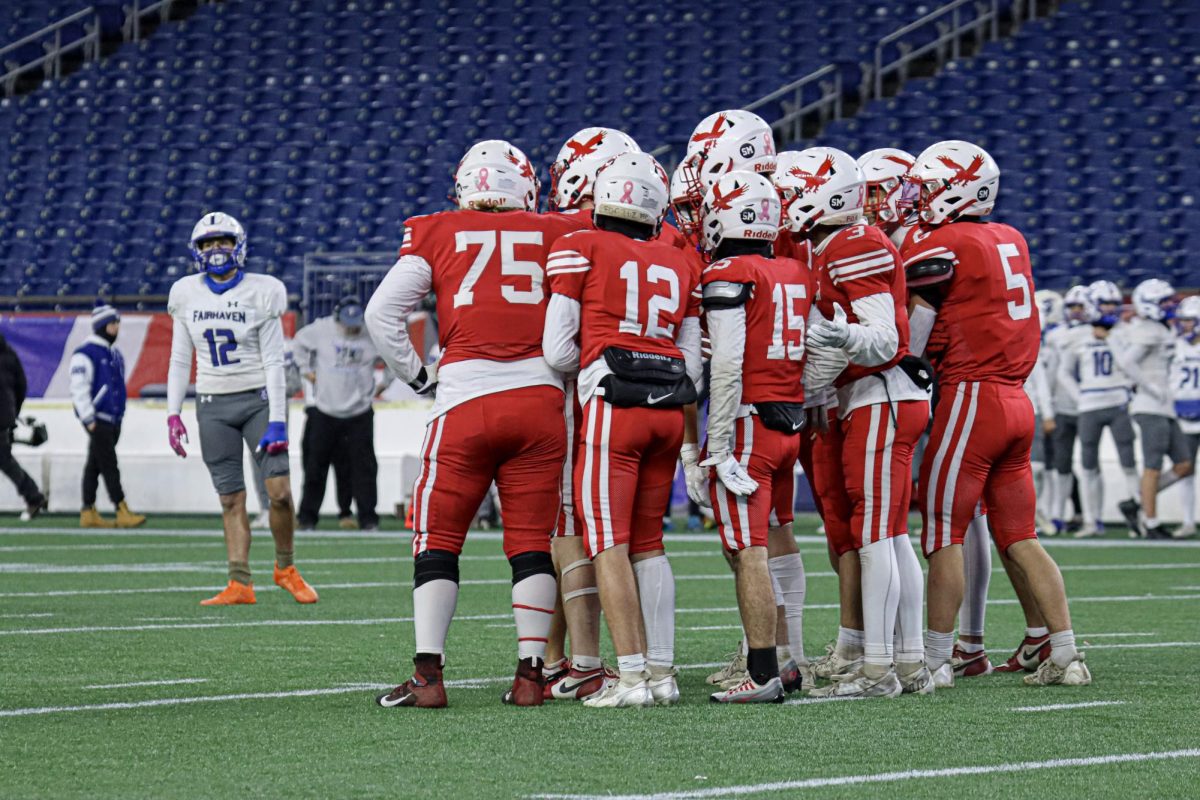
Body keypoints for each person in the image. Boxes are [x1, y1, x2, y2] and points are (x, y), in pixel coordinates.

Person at [366, 140, 589, 709]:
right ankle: (530, 675)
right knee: (531, 544)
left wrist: (419, 379)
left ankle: (427, 676)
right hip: (540, 402)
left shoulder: (436, 230)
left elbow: (381, 313)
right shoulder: (560, 231)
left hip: (463, 399)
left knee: (437, 540)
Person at [904, 139, 1090, 687]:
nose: (923, 197)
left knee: (942, 531)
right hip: (1017, 397)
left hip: (971, 397)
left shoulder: (945, 242)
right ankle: (1066, 654)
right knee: (1021, 535)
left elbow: (914, 337)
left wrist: (907, 360)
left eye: (930, 186)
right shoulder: (1011, 237)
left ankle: (937, 660)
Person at [542, 151, 702, 708]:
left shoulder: (579, 245)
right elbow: (692, 358)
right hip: (667, 405)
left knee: (607, 542)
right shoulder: (679, 261)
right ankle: (663, 673)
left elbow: (557, 350)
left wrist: (599, 358)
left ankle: (632, 678)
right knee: (651, 544)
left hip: (612, 403)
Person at [784, 146, 932, 699]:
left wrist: (834, 337)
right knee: (890, 536)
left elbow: (886, 339)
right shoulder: (835, 245)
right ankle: (910, 663)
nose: (786, 201)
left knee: (875, 535)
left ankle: (878, 668)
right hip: (872, 395)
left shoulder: (853, 243)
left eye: (795, 190)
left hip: (880, 394)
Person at [695, 171, 813, 703]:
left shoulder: (730, 269)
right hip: (789, 417)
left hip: (748, 422)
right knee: (766, 544)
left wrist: (716, 446)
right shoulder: (792, 268)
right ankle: (788, 659)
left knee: (748, 551)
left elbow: (726, 363)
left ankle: (763, 671)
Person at [166, 211, 318, 606]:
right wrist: (172, 412)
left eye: (223, 241)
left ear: (239, 245)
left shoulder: (262, 290)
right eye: (207, 243)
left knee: (279, 492)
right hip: (212, 403)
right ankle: (239, 582)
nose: (216, 250)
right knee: (230, 499)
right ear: (196, 251)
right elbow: (181, 360)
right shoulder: (185, 293)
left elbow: (273, 361)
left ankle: (285, 567)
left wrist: (280, 421)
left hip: (257, 400)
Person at [542, 125, 641, 701]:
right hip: (647, 394)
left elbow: (559, 342)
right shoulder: (661, 241)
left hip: (577, 389)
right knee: (622, 536)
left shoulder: (565, 234)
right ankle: (562, 654)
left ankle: (581, 659)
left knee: (571, 527)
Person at [293, 295, 391, 531]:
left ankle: (368, 519)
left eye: (355, 323)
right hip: (324, 410)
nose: (351, 327)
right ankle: (307, 518)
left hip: (359, 412)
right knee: (315, 468)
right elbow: (298, 342)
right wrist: (306, 370)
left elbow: (392, 354)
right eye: (347, 323)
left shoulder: (371, 333)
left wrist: (385, 383)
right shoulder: (322, 329)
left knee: (364, 470)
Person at [1058, 280, 1140, 538]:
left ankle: (1141, 519)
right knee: (1089, 465)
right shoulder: (1077, 335)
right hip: (1090, 404)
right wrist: (1079, 396)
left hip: (1117, 403)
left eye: (1114, 304)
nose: (1109, 309)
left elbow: (1131, 365)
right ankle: (1093, 521)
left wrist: (1127, 389)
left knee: (1128, 462)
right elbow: (1064, 372)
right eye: (1105, 304)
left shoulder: (1125, 331)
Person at [1117, 279, 1193, 538]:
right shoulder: (1148, 329)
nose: (1169, 306)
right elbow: (1127, 363)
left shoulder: (1161, 328)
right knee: (1153, 465)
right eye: (1164, 302)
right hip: (1150, 406)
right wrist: (1151, 388)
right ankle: (1150, 522)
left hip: (1165, 406)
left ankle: (1136, 503)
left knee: (1184, 464)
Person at [69, 301, 146, 528]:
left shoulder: (113, 353)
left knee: (94, 464)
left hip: (112, 418)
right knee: (109, 464)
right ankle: (120, 507)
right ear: (103, 325)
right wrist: (88, 418)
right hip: (98, 418)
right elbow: (79, 387)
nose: (117, 328)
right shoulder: (86, 353)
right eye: (113, 323)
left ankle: (87, 509)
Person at [0, 331, 46, 520]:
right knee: (5, 460)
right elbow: (22, 385)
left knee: (5, 461)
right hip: (4, 417)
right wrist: (13, 412)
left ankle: (34, 496)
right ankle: (33, 496)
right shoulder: (9, 355)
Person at [1171, 296, 1200, 538]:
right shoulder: (1176, 344)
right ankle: (1188, 520)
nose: (1186, 325)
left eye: (1190, 321)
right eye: (1184, 321)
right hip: (1184, 415)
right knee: (1185, 470)